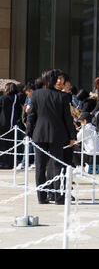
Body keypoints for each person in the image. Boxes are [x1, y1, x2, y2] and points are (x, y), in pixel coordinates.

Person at [26, 69, 77, 204]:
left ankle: (41, 197)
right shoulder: (62, 96)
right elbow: (67, 118)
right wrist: (72, 135)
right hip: (57, 135)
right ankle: (58, 196)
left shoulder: (36, 94)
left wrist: (29, 133)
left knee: (40, 167)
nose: (60, 81)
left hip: (39, 134)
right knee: (57, 166)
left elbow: (31, 116)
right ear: (54, 80)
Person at [0, 83, 25, 169]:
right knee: (11, 145)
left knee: (2, 144)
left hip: (2, 125)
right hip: (13, 125)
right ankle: (10, 163)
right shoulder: (17, 99)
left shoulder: (3, 98)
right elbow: (19, 112)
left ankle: (3, 162)